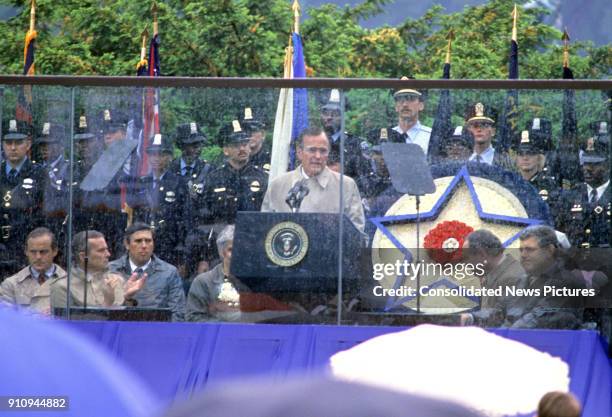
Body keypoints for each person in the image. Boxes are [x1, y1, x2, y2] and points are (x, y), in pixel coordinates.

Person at [261, 126, 365, 233]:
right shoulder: (277, 186)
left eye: (323, 151)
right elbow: (263, 230)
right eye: (312, 150)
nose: (318, 156)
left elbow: (357, 235)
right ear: (299, 152)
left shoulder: (346, 186)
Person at [504, 225, 587, 329]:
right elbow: (508, 316)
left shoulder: (565, 282)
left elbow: (536, 320)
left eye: (529, 249)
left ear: (549, 250)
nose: (523, 255)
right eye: (521, 250)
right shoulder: (523, 280)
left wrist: (502, 336)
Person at [129, 134, 189, 266]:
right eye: (152, 154)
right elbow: (136, 218)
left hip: (170, 246)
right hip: (144, 246)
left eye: (161, 155)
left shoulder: (179, 183)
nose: (156, 159)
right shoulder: (142, 183)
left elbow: (185, 221)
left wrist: (182, 256)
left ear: (169, 157)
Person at [108, 223, 186, 321]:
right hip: (119, 330)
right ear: (127, 244)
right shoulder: (111, 270)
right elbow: (102, 309)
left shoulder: (169, 272)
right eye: (138, 241)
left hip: (157, 331)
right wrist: (125, 298)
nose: (144, 245)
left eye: (148, 241)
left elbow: (178, 313)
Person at [50, 230, 145, 308]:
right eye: (101, 251)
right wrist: (107, 304)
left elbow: (127, 322)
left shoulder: (117, 280)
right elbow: (66, 328)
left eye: (107, 249)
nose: (108, 254)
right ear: (83, 256)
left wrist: (127, 298)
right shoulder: (62, 287)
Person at [198, 120, 268, 225]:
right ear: (226, 150)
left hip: (252, 235)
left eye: (245, 144)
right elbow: (204, 214)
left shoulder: (262, 178)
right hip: (221, 237)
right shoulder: (214, 178)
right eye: (236, 145)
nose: (242, 149)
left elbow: (267, 213)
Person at [0, 118, 44, 275]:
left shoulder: (40, 174)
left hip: (27, 246)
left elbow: (44, 213)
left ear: (28, 144)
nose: (12, 148)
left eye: (18, 142)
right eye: (8, 142)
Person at [555, 130, 611, 248]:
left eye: (594, 164)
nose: (587, 168)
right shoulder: (571, 196)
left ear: (607, 166)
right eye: (585, 163)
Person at [460, 229, 524, 327]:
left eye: (466, 258)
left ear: (482, 254)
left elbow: (506, 322)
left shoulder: (513, 278)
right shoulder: (493, 274)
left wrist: (471, 318)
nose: (465, 264)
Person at [186, 225, 248, 322]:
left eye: (240, 249)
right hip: (216, 336)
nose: (237, 253)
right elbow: (193, 318)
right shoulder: (203, 282)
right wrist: (228, 328)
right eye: (231, 250)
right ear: (221, 252)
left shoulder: (256, 282)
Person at [0, 227, 66, 314]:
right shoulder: (11, 285)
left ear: (55, 251)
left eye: (43, 252)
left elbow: (81, 319)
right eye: (33, 252)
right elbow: (6, 320)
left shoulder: (71, 283)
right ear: (26, 252)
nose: (38, 257)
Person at [319, 90, 371, 192]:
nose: (329, 117)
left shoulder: (356, 145)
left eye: (335, 113)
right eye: (325, 112)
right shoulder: (311, 142)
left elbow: (365, 182)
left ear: (343, 115)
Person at [370, 77, 431, 154]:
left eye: (411, 99)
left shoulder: (430, 137)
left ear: (421, 105)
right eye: (400, 99)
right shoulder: (387, 137)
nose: (405, 104)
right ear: (396, 107)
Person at [515, 122, 559, 205]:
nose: (525, 158)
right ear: (516, 158)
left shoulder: (548, 184)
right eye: (521, 154)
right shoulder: (512, 181)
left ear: (539, 158)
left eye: (530, 153)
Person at [170, 121, 213, 200]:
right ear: (182, 146)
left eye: (200, 144)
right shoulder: (171, 169)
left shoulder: (208, 170)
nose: (198, 149)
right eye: (193, 144)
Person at [465, 103, 514, 170]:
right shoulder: (463, 160)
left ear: (493, 131)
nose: (479, 129)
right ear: (469, 130)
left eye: (484, 125)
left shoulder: (505, 162)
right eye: (475, 126)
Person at [241, 108, 271, 173]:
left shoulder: (272, 159)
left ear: (263, 134)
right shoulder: (234, 159)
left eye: (253, 131)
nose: (249, 135)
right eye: (245, 131)